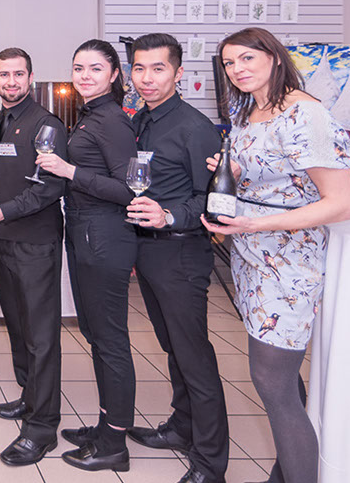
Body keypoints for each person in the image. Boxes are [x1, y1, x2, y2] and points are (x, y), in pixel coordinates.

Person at [205, 27, 350, 483]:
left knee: (272, 383)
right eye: (229, 63)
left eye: (247, 58)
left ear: (273, 57)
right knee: (282, 380)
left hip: (289, 262)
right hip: (252, 257)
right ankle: (286, 472)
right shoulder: (248, 110)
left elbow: (341, 204)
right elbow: (276, 176)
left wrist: (255, 223)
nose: (237, 69)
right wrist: (234, 172)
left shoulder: (305, 114)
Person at [125, 33, 229, 483]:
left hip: (182, 252)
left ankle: (210, 464)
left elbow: (212, 199)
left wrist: (168, 215)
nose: (147, 78)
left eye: (158, 68)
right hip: (149, 251)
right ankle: (182, 427)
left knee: (194, 357)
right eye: (139, 68)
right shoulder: (142, 121)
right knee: (172, 347)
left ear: (179, 72)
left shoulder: (194, 127)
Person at [36, 39, 138, 472]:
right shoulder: (91, 114)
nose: (85, 76)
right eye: (79, 68)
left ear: (114, 74)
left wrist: (69, 170)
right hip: (86, 233)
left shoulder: (112, 120)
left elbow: (130, 189)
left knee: (110, 340)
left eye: (95, 68)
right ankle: (105, 426)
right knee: (96, 334)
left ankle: (114, 444)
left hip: (105, 237)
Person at [0, 48, 67, 465]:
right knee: (19, 328)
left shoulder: (47, 125)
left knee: (41, 337)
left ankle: (42, 429)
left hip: (35, 244)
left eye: (18, 74)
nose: (11, 81)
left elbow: (50, 188)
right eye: (4, 75)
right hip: (0, 240)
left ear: (31, 78)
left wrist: (3, 211)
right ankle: (30, 397)